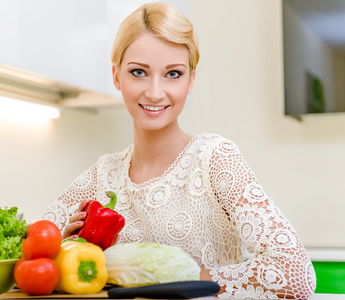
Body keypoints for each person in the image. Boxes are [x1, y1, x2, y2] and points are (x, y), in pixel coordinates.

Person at [39, 2, 316, 298]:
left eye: (173, 74)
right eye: (138, 72)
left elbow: (295, 273)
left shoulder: (214, 158)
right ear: (116, 76)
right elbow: (25, 262)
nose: (155, 92)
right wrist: (62, 249)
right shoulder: (101, 176)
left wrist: (178, 279)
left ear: (191, 80)